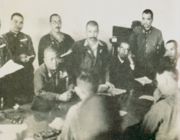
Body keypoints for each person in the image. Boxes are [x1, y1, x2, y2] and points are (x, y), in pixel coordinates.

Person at [59, 71, 120, 140]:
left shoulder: (74, 110)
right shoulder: (110, 106)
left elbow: (64, 138)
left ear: (77, 90)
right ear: (98, 88)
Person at [3, 13, 35, 105]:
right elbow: (5, 57)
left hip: (26, 75)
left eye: (21, 22)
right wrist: (19, 58)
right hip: (11, 77)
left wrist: (28, 58)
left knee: (27, 103)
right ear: (10, 22)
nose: (18, 25)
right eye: (15, 21)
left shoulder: (26, 37)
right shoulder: (3, 38)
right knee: (11, 104)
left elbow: (32, 53)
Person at [142, 69, 180, 140]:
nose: (157, 86)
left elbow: (145, 131)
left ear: (165, 81)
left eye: (158, 82)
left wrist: (155, 103)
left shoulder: (160, 107)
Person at [70, 20, 110, 85]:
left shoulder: (103, 46)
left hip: (99, 84)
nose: (92, 35)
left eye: (95, 32)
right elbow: (74, 67)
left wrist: (107, 81)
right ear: (86, 32)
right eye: (90, 31)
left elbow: (106, 67)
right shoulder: (78, 45)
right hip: (82, 84)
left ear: (98, 32)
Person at [130, 9, 165, 79]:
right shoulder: (136, 31)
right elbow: (131, 48)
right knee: (137, 86)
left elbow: (161, 51)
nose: (145, 21)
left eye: (148, 19)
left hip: (151, 68)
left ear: (152, 20)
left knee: (150, 88)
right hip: (138, 67)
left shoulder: (158, 33)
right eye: (143, 18)